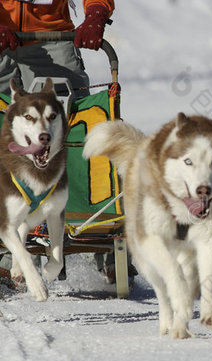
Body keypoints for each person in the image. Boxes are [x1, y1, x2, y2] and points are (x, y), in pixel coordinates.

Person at [0, 0, 133, 285]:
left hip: (51, 37)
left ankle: (100, 231)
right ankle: (9, 252)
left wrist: (96, 12)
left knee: (77, 123)